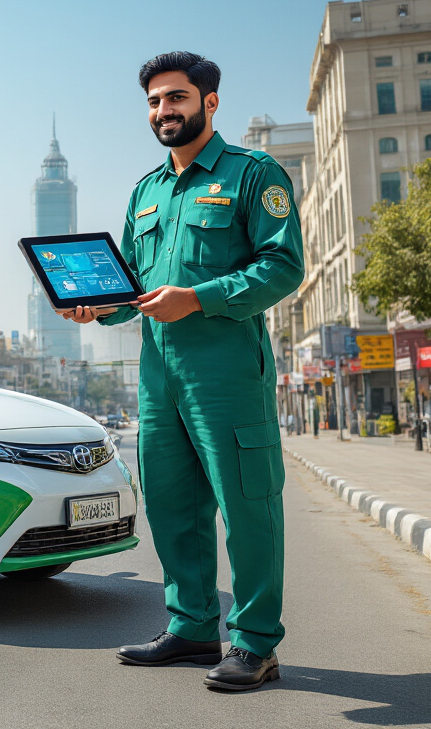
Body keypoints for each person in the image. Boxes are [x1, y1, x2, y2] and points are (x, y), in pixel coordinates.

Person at [60, 52, 303, 692]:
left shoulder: (254, 175)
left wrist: (197, 297)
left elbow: (282, 267)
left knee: (247, 507)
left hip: (224, 372)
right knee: (172, 506)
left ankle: (255, 644)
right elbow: (137, 288)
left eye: (175, 98)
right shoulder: (146, 191)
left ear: (209, 102)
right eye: (153, 102)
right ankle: (193, 627)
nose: (163, 111)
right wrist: (99, 307)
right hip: (157, 375)